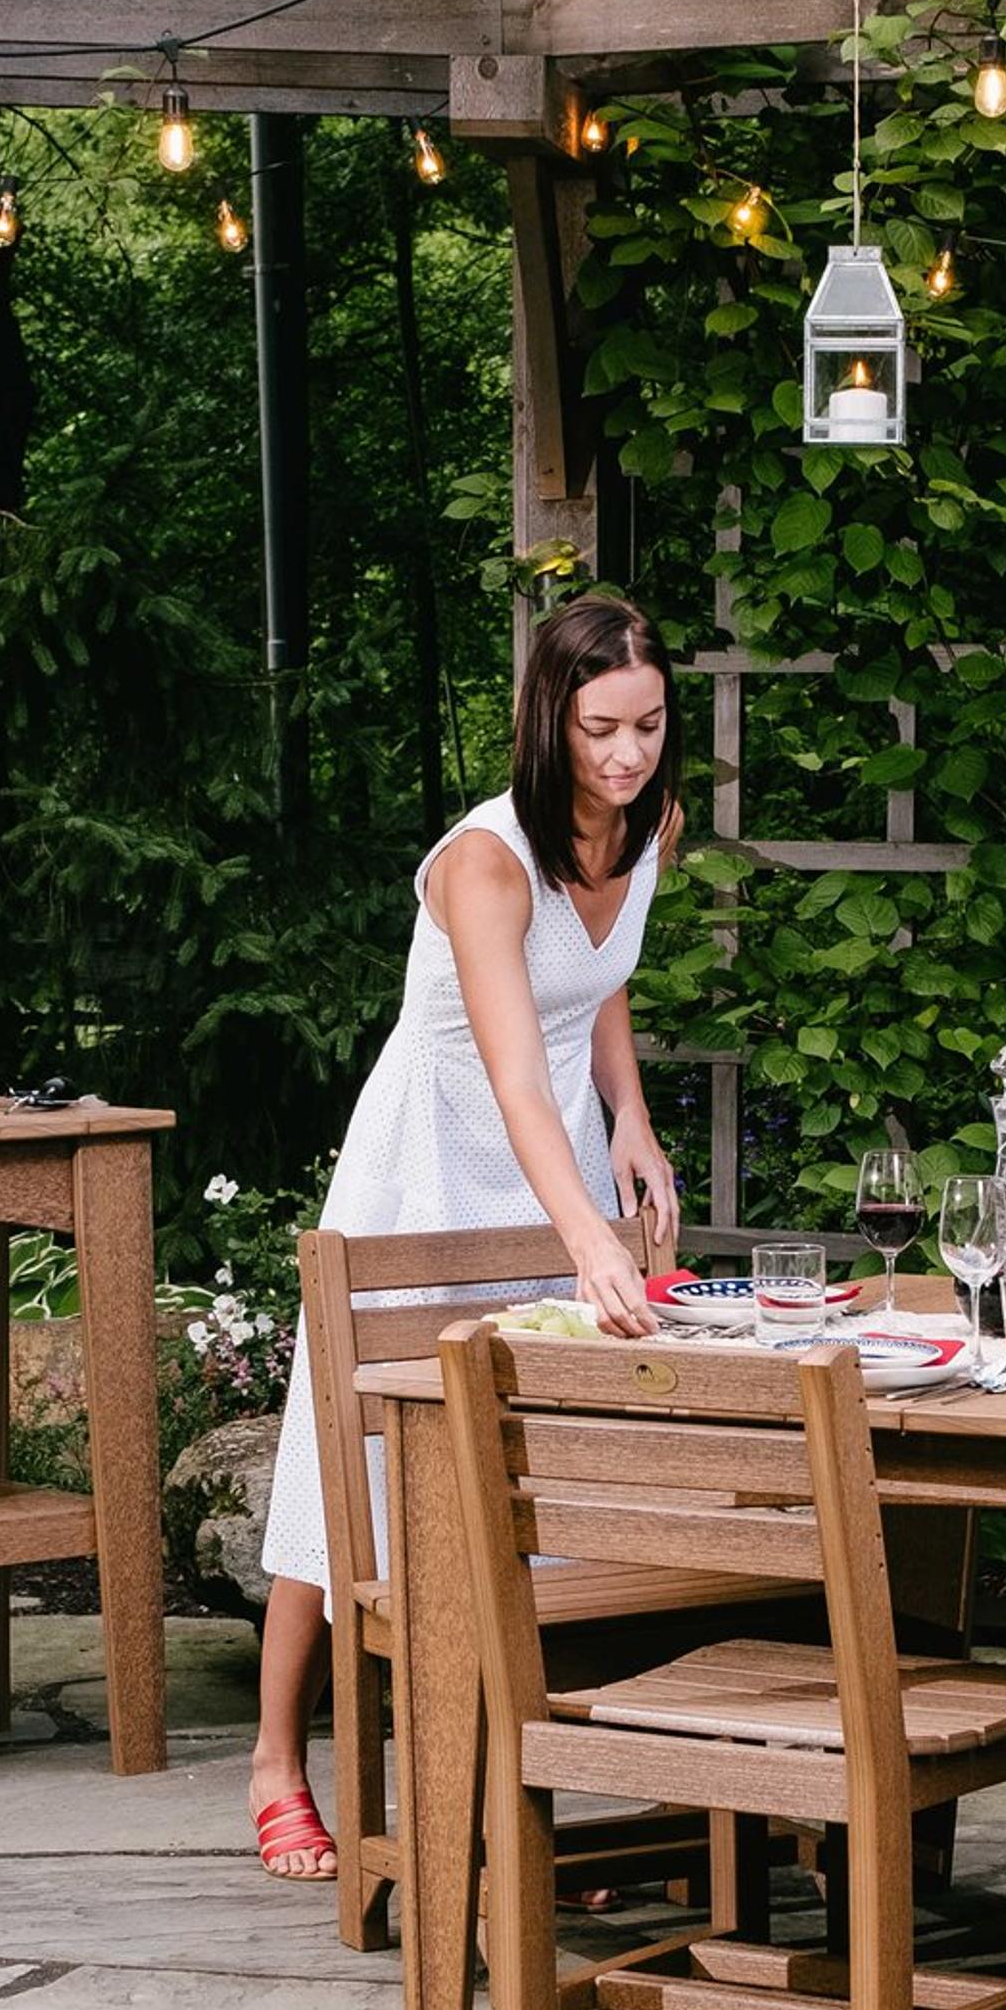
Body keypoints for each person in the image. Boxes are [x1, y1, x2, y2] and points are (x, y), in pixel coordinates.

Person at [243, 593, 684, 1877]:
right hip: (434, 1164)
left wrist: (634, 1120)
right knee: (351, 1477)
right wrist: (590, 1238)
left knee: (533, 1461)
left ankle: (515, 1748)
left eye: (649, 726)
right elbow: (508, 1075)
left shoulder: (649, 824)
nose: (626, 754)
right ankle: (277, 1761)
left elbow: (599, 981)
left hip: (548, 1162)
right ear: (549, 717)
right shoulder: (483, 862)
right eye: (600, 728)